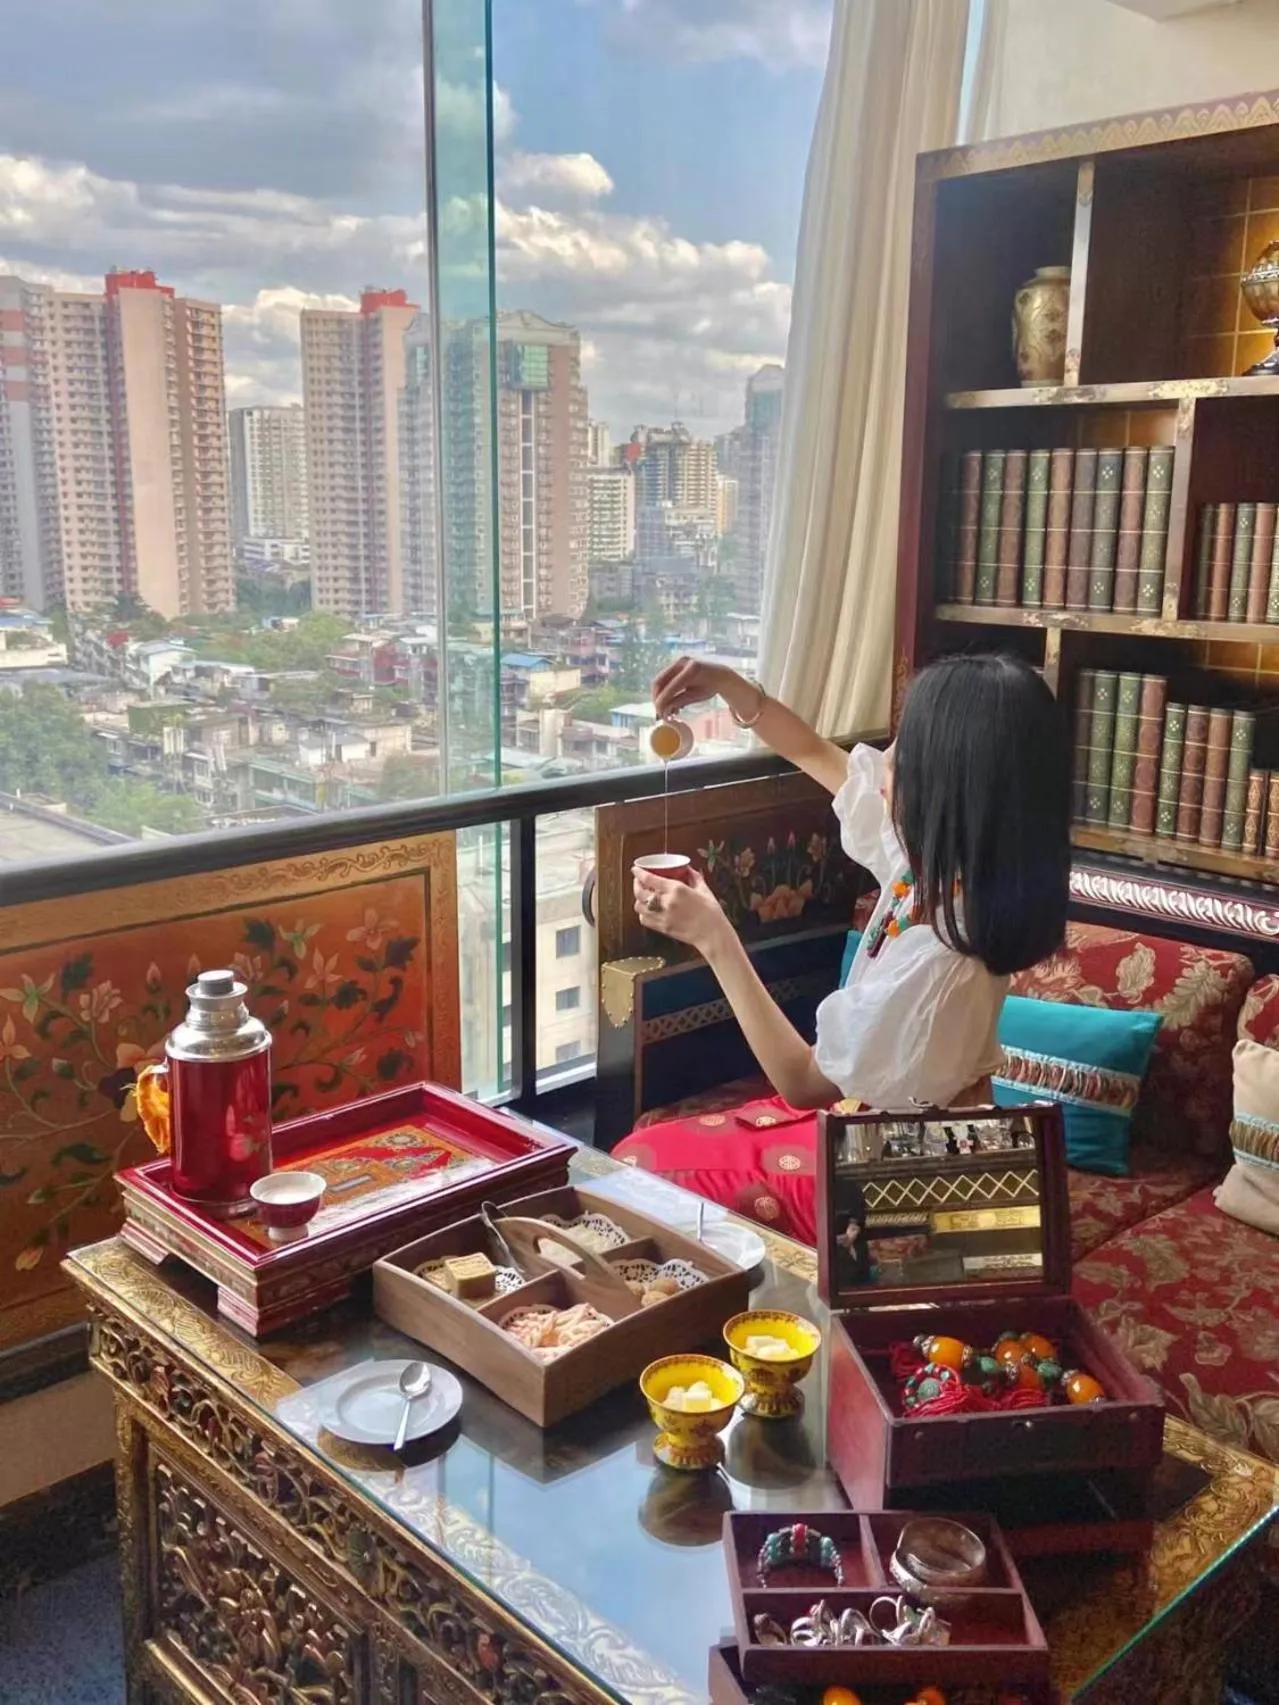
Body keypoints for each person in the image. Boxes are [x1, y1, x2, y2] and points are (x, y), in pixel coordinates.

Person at [613, 652, 1071, 1244]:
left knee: (637, 1162)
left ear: (946, 785)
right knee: (652, 1151)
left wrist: (713, 936)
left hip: (902, 1184)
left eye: (902, 748)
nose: (881, 759)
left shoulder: (942, 958)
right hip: (885, 1132)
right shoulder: (940, 871)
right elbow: (814, 753)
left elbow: (802, 1081)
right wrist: (730, 687)